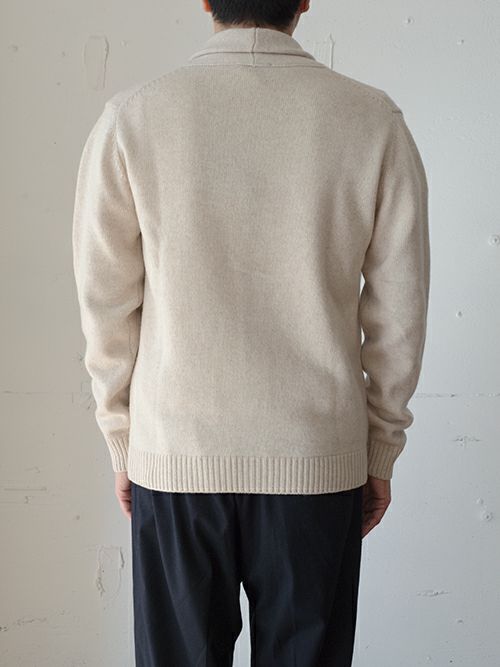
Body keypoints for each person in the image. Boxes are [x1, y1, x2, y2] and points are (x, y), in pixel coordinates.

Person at [72, 1, 430, 665]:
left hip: (176, 458)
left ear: (206, 0)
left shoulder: (134, 119)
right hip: (317, 459)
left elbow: (105, 302)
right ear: (305, 0)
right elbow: (399, 311)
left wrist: (121, 435)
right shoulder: (371, 120)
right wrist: (381, 447)